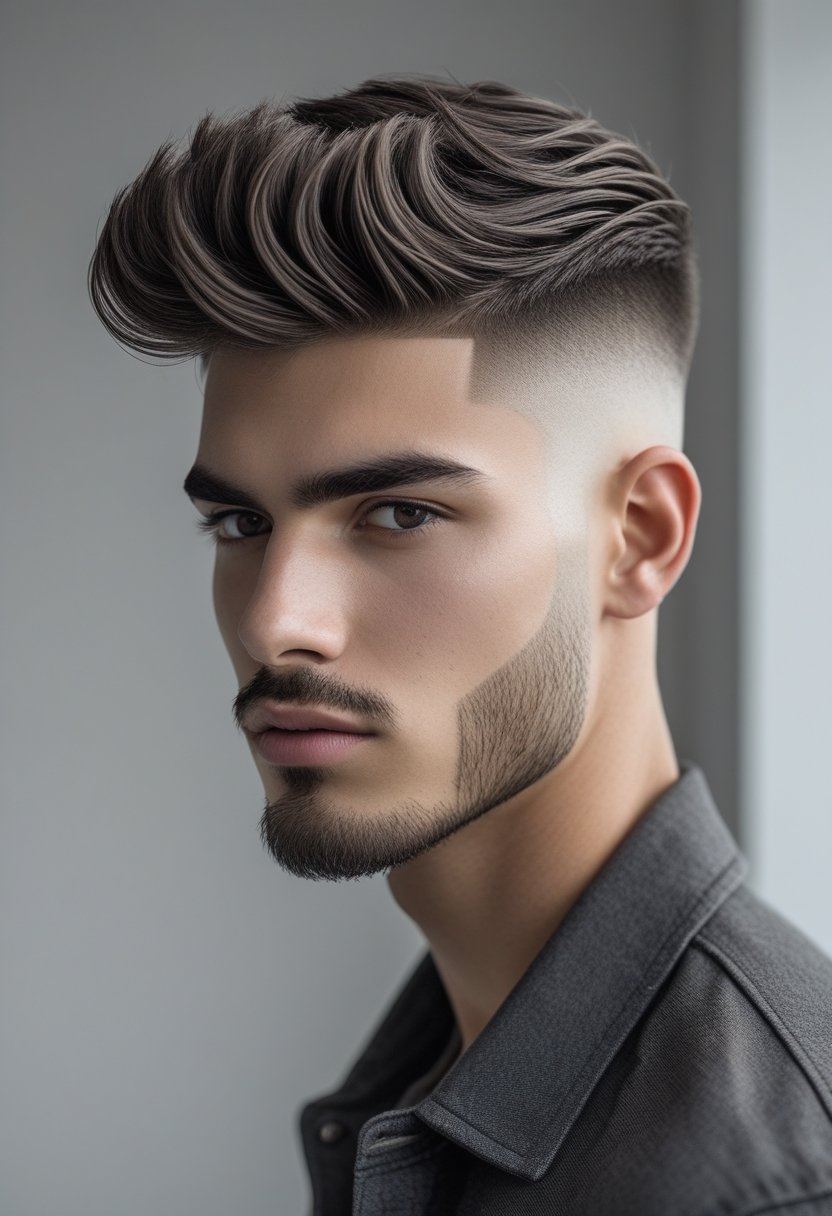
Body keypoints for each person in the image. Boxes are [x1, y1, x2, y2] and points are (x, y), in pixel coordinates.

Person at [87, 74, 832, 1215]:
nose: (274, 617)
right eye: (241, 523)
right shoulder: (434, 1062)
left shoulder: (767, 1181)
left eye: (398, 515)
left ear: (639, 538)